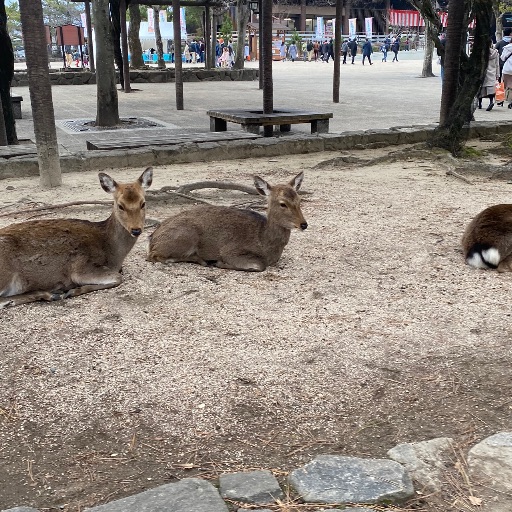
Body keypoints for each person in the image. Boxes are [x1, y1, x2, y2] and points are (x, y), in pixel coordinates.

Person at [478, 39, 500, 111]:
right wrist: (497, 74)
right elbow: (497, 65)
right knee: (491, 88)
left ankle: (480, 104)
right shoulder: (495, 53)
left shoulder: (481, 52)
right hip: (492, 72)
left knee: (481, 88)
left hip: (483, 72)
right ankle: (491, 102)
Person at [500, 38, 512, 108]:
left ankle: (505, 100)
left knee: (507, 86)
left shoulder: (507, 48)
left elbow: (502, 58)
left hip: (507, 69)